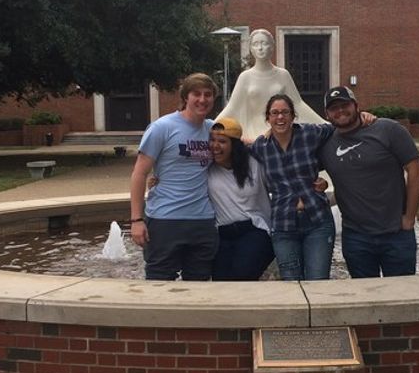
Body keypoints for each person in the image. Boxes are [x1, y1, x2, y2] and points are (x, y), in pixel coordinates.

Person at [319, 86, 419, 278]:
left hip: (396, 233)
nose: (340, 111)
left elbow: (415, 168)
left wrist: (409, 217)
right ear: (327, 114)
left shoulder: (388, 129)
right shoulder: (325, 144)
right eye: (334, 108)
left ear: (356, 105)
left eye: (345, 105)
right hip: (356, 237)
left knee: (402, 292)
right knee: (365, 293)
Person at [128, 73, 219, 280]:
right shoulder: (162, 127)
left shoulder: (213, 129)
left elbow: (241, 142)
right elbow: (139, 173)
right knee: (159, 283)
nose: (202, 99)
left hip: (202, 221)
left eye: (208, 94)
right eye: (196, 94)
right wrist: (136, 220)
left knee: (200, 285)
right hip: (165, 219)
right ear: (186, 97)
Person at [249, 93, 337, 280]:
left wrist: (364, 117)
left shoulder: (310, 133)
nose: (280, 117)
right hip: (283, 224)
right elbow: (237, 149)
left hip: (317, 221)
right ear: (268, 118)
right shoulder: (261, 146)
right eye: (274, 113)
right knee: (291, 283)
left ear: (293, 115)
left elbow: (338, 127)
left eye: (285, 112)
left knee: (318, 280)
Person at [218, 29, 325, 140]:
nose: (260, 48)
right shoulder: (245, 77)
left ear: (272, 47)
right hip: (254, 136)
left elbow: (298, 104)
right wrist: (212, 127)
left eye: (264, 43)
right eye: (255, 44)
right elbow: (232, 107)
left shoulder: (283, 74)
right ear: (251, 48)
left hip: (279, 133)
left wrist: (324, 124)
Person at [206, 117, 274, 281]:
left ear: (235, 145)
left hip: (254, 229)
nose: (215, 146)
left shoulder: (255, 162)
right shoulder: (205, 167)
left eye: (222, 141)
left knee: (242, 275)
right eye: (212, 140)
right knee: (220, 282)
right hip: (222, 234)